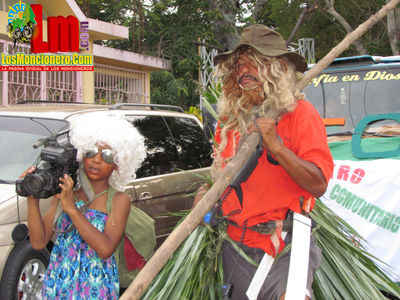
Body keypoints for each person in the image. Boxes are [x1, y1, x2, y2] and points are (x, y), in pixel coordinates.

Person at [195, 24, 334, 299]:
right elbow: (221, 178)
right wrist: (205, 194)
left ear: (277, 68)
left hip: (284, 242)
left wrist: (276, 146)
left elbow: (318, 184)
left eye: (255, 63)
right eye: (239, 65)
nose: (244, 71)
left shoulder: (300, 114)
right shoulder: (230, 121)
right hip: (235, 244)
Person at [22, 113, 146, 299]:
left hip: (95, 289)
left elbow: (105, 250)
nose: (97, 160)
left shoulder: (119, 200)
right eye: (90, 152)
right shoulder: (65, 193)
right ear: (81, 156)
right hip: (59, 285)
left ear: (118, 164)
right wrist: (32, 197)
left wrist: (71, 208)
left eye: (107, 155)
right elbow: (39, 242)